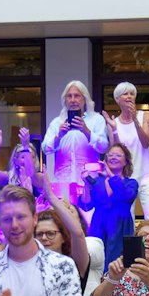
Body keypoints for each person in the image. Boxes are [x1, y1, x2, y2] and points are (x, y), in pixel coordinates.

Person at [42, 80, 110, 210]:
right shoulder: (57, 122)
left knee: (88, 223)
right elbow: (45, 148)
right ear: (65, 100)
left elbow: (103, 147)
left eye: (77, 96)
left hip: (89, 181)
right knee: (64, 223)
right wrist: (59, 136)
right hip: (63, 182)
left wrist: (86, 131)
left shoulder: (96, 120)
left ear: (85, 99)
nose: (73, 100)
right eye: (69, 96)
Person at [84, 142, 142, 266]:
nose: (113, 157)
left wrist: (110, 175)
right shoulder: (96, 181)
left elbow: (126, 196)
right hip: (98, 226)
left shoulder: (131, 183)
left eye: (118, 155)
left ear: (126, 161)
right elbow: (86, 205)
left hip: (120, 228)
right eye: (110, 155)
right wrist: (86, 183)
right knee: (96, 263)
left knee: (120, 264)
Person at [107, 82, 149, 190]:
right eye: (125, 94)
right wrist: (114, 130)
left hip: (147, 175)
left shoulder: (145, 115)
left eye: (132, 94)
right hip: (125, 176)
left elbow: (146, 143)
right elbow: (116, 152)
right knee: (126, 207)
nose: (129, 96)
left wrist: (135, 120)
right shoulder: (112, 124)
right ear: (117, 99)